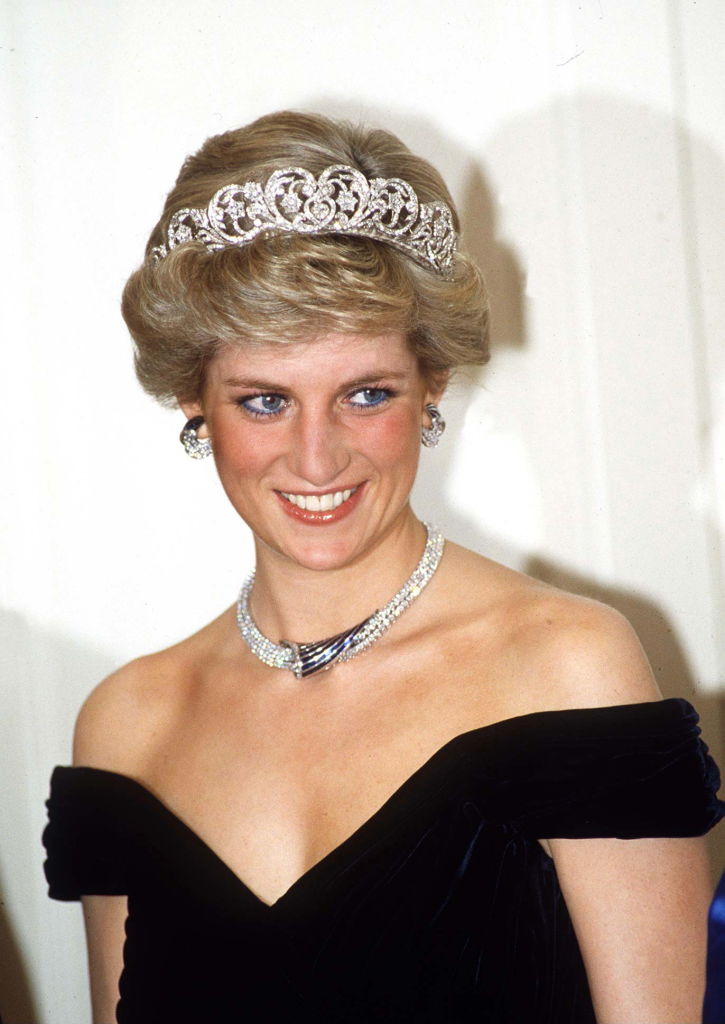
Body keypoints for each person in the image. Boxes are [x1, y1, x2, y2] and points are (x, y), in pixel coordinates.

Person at [44, 110, 723, 1024]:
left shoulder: (565, 668)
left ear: (430, 382)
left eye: (366, 394)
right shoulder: (129, 726)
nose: (317, 459)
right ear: (192, 400)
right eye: (264, 400)